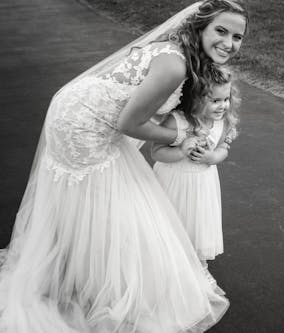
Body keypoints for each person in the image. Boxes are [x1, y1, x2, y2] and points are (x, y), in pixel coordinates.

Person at [0, 0, 248, 332]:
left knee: (95, 200)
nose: (229, 43)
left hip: (75, 106)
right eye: (221, 30)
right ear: (200, 27)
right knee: (121, 202)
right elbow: (129, 124)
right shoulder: (175, 64)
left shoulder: (180, 51)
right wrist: (181, 137)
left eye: (237, 36)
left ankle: (77, 274)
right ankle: (102, 287)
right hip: (84, 124)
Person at [152, 64, 239, 286]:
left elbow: (223, 148)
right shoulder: (177, 121)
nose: (223, 106)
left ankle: (199, 264)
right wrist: (181, 150)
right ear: (196, 98)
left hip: (202, 183)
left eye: (226, 99)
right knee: (171, 223)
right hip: (173, 180)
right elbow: (157, 152)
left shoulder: (222, 121)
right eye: (215, 100)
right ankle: (167, 262)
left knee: (198, 223)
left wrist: (213, 157)